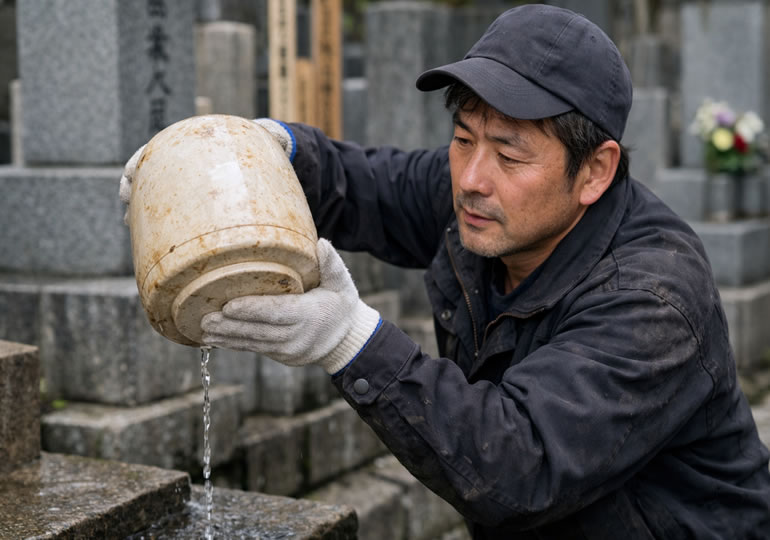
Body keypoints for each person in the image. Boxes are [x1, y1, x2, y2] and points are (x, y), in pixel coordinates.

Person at [120, 4, 770, 538]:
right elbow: (363, 183)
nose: (471, 178)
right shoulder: (483, 196)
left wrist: (348, 339)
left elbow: (518, 467)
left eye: (510, 152)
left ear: (595, 171)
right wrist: (255, 149)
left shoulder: (655, 296)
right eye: (463, 138)